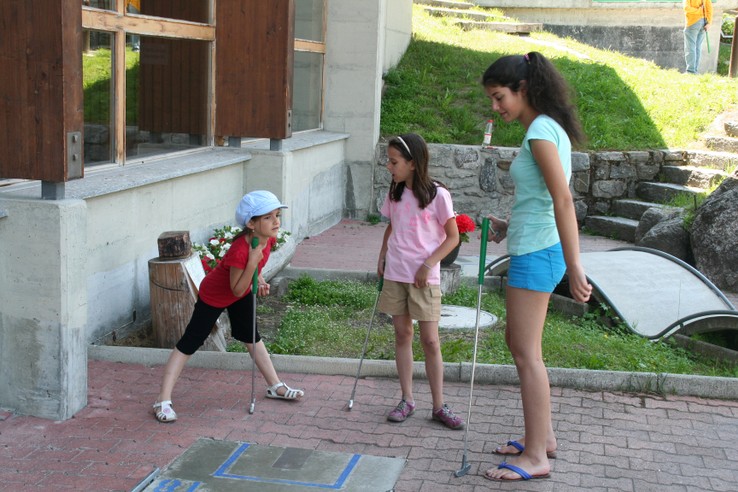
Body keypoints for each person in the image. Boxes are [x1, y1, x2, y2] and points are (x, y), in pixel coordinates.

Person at [479, 53, 593, 481]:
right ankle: (541, 439)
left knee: (527, 355)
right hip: (533, 243)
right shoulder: (543, 129)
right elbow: (542, 199)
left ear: (523, 89)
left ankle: (536, 458)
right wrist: (510, 224)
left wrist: (576, 265)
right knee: (520, 345)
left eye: (499, 97)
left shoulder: (542, 131)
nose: (496, 107)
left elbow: (563, 199)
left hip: (540, 251)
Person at [152, 190, 304, 423]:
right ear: (251, 223)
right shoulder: (241, 250)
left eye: (277, 215)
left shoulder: (268, 239)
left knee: (252, 337)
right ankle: (162, 399)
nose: (276, 222)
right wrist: (252, 262)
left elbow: (252, 274)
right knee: (190, 342)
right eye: (268, 217)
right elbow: (235, 287)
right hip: (215, 295)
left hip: (240, 292)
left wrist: (260, 279)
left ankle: (275, 386)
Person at [376, 132, 465, 430]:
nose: (389, 167)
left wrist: (428, 265)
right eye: (389, 161)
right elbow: (393, 226)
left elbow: (452, 237)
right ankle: (407, 399)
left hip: (424, 279)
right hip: (396, 273)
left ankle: (439, 405)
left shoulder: (438, 194)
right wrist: (382, 255)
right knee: (402, 335)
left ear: (413, 163)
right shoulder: (395, 192)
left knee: (430, 340)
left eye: (394, 161)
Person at [683, 0, 713, 74]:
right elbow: (709, 8)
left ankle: (690, 71)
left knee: (690, 47)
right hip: (704, 22)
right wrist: (709, 22)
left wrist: (699, 11)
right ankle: (694, 70)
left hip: (693, 22)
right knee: (697, 47)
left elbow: (687, 8)